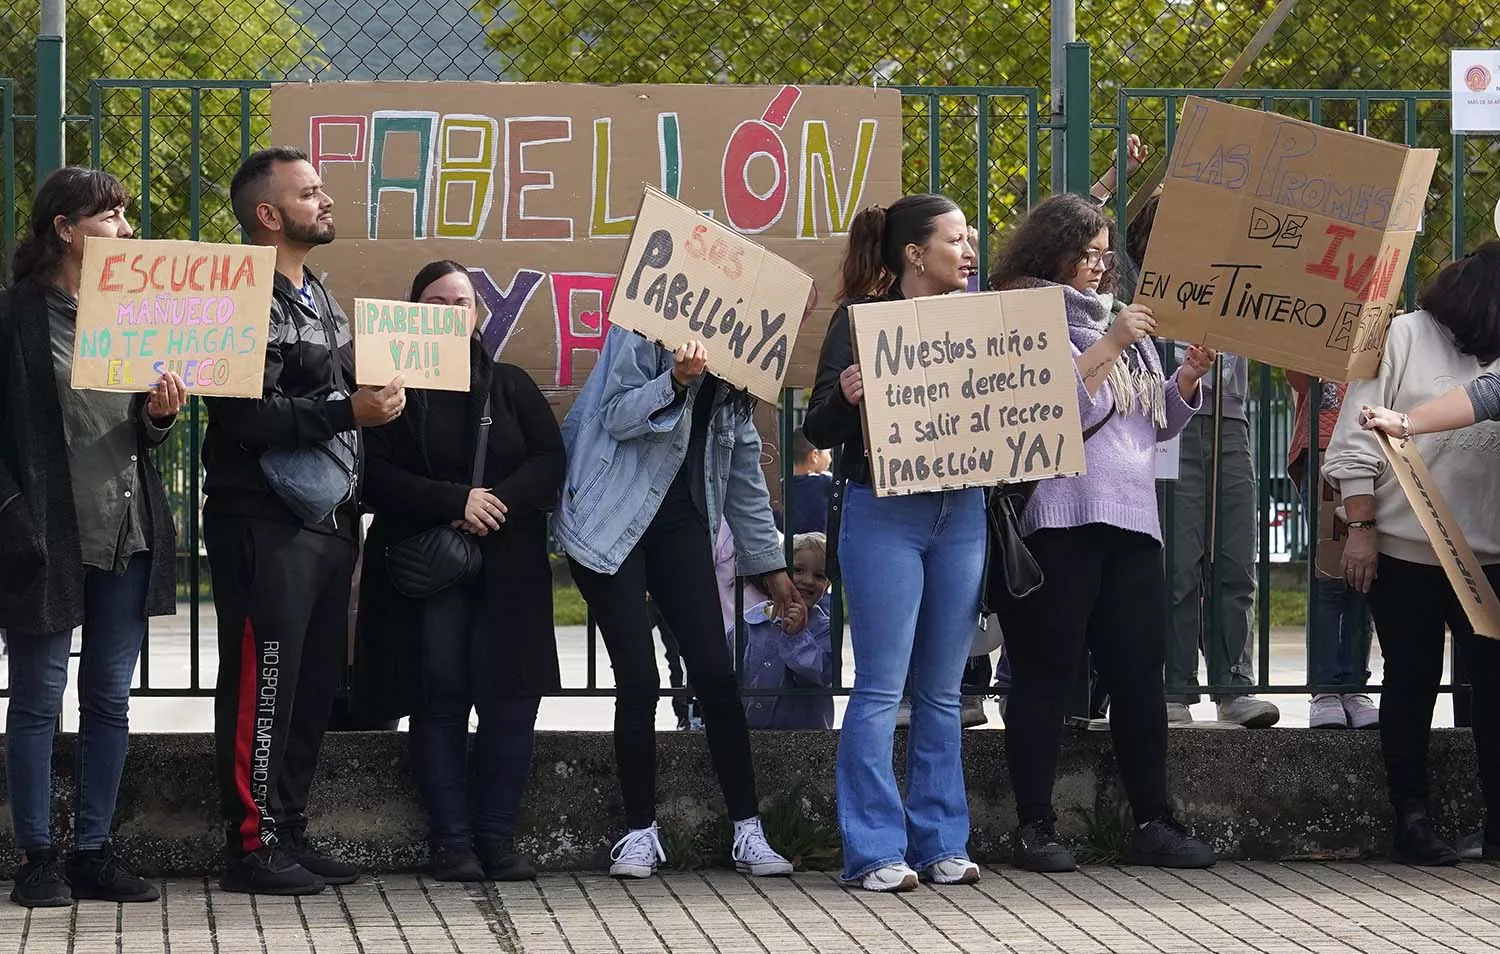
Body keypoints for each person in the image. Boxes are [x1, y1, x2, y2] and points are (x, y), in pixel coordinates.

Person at [987, 192, 1216, 872]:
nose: (1098, 265)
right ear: (1050, 252)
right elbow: (1045, 405)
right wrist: (1115, 343)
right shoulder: (1023, 315)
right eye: (1086, 252)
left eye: (1103, 253)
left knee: (1140, 675)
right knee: (1046, 675)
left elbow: (1151, 420)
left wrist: (1185, 380)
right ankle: (1035, 826)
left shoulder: (1115, 323)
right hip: (1059, 519)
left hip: (1131, 521)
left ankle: (1154, 820)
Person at [203, 146, 406, 895]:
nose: (326, 201)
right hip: (261, 520)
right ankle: (251, 848)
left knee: (314, 684)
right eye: (310, 192)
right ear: (268, 214)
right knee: (266, 681)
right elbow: (240, 414)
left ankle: (288, 828)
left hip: (326, 521)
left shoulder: (320, 295)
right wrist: (345, 411)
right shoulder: (234, 295)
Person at [554, 325, 803, 880]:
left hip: (679, 527)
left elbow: (743, 477)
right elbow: (616, 414)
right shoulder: (644, 325)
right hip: (607, 517)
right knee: (638, 680)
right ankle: (640, 833)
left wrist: (773, 568)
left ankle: (748, 831)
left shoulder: (741, 360)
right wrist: (675, 380)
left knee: (715, 673)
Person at [0, 167, 186, 907]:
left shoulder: (136, 314)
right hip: (44, 532)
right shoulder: (13, 316)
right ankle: (36, 856)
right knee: (39, 698)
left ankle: (94, 852)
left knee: (109, 697)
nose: (128, 232)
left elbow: (141, 432)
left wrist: (162, 415)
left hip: (125, 532)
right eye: (113, 217)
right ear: (66, 229)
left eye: (128, 217)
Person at [352, 261, 564, 882]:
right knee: (437, 697)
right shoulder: (388, 392)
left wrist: (493, 505)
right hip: (429, 570)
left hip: (509, 570)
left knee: (510, 700)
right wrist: (453, 502)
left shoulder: (512, 386)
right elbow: (374, 475)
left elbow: (550, 462)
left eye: (462, 301)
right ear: (413, 310)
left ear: (477, 314)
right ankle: (452, 842)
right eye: (436, 301)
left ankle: (497, 837)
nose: (451, 311)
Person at [804, 193, 986, 893]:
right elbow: (817, 429)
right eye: (956, 240)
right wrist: (848, 398)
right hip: (885, 511)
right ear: (914, 253)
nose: (968, 253)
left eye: (969, 241)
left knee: (942, 690)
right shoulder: (859, 323)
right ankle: (875, 850)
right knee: (882, 687)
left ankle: (943, 842)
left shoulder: (984, 321)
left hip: (961, 511)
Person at [1327, 241, 1500, 865]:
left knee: (1494, 688)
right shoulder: (1403, 336)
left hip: (1489, 554)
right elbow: (1355, 435)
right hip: (1410, 546)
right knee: (1413, 679)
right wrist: (1361, 526)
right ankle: (1413, 818)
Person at [1121, 196, 1278, 729]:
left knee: (1235, 555)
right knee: (1177, 557)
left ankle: (1235, 685)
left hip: (1228, 420)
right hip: (1167, 423)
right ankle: (1175, 685)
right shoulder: (1137, 286)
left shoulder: (1237, 276)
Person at [1286, 370, 1376, 730]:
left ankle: (1354, 685)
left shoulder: (1386, 318)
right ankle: (1326, 688)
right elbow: (1295, 372)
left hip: (1370, 441)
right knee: (1328, 573)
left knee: (1364, 572)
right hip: (1323, 441)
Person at [737, 532, 835, 730]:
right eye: (798, 570)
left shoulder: (825, 630)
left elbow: (821, 676)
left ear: (827, 586)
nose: (807, 581)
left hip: (806, 739)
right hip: (748, 733)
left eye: (819, 575)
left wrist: (797, 637)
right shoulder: (748, 624)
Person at [775, 430, 832, 535]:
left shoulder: (778, 487)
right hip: (821, 547)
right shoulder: (828, 483)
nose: (830, 459)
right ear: (814, 455)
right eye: (828, 453)